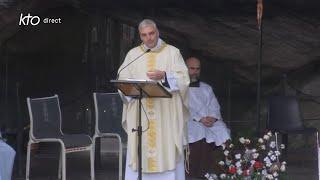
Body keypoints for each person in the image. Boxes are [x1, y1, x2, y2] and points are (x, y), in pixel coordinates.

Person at [117, 19, 190, 180]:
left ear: (157, 32)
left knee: (167, 149)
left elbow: (184, 80)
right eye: (144, 35)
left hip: (166, 116)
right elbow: (122, 79)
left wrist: (164, 76)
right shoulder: (133, 55)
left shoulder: (172, 52)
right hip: (140, 114)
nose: (149, 38)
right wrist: (128, 90)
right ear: (140, 36)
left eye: (151, 33)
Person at [185, 57, 231, 178]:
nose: (195, 71)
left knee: (223, 130)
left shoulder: (206, 88)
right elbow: (183, 108)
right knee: (200, 132)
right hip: (190, 121)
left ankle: (220, 171)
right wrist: (200, 118)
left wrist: (213, 117)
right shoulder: (179, 88)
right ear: (185, 69)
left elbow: (214, 105)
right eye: (192, 68)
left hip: (209, 121)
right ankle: (198, 174)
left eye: (197, 69)